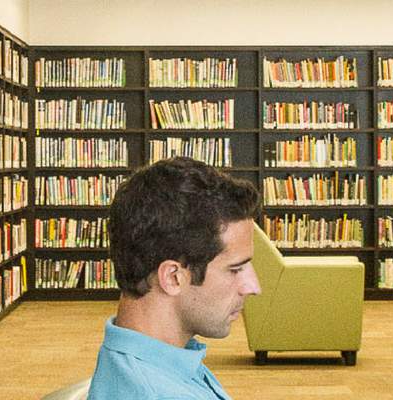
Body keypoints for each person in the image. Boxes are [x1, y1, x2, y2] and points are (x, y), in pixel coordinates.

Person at [87, 157, 263, 400]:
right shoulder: (158, 392)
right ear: (172, 277)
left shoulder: (155, 359)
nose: (253, 287)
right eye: (235, 269)